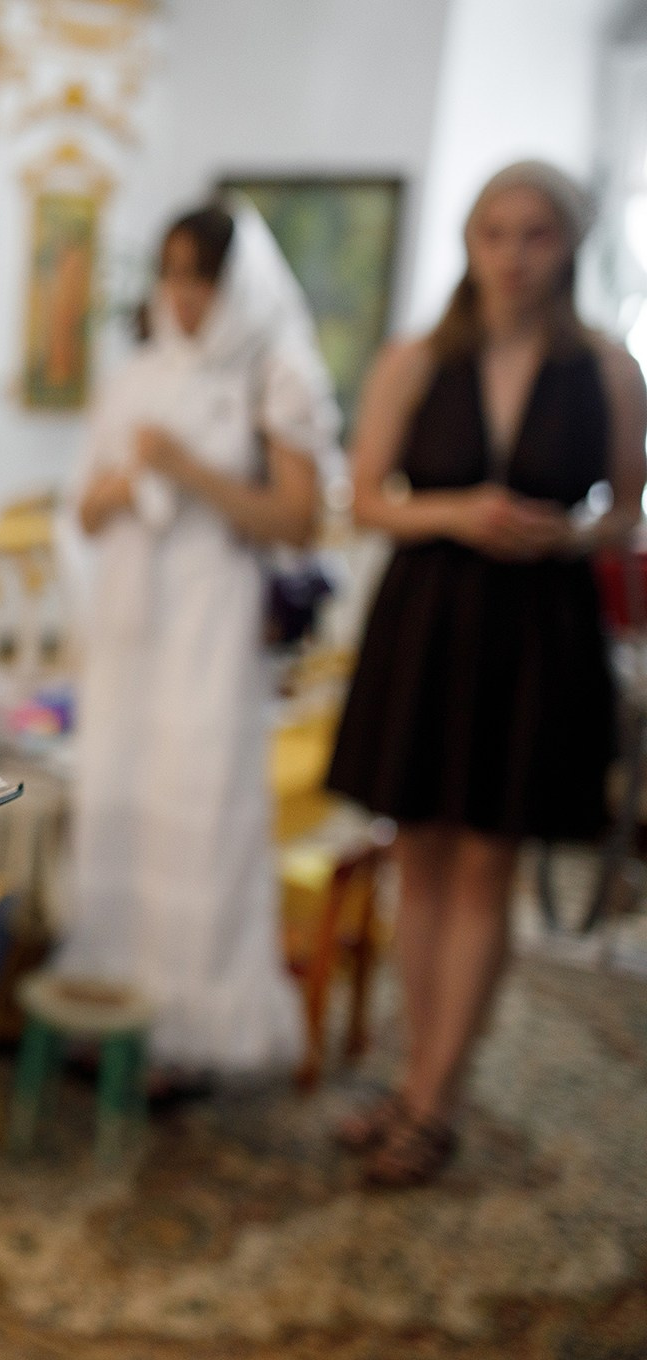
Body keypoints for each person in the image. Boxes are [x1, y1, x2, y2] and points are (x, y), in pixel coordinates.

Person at [326, 162, 647, 1187]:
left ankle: (436, 1095)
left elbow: (626, 513)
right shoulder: (416, 360)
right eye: (495, 232)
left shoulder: (606, 368)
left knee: (486, 865)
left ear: (569, 246)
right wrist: (458, 512)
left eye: (536, 234)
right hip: (430, 620)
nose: (513, 254)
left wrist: (570, 533)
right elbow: (366, 499)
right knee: (418, 855)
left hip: (536, 628)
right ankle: (419, 1073)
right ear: (470, 243)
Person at [60, 201, 335, 1080]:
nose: (182, 296)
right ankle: (107, 999)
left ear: (235, 284)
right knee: (121, 801)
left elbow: (299, 519)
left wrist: (189, 471)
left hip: (215, 621)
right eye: (171, 275)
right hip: (132, 621)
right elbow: (86, 511)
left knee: (198, 810)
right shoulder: (137, 374)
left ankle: (190, 1031)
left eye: (200, 277)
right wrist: (125, 484)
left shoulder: (276, 373)